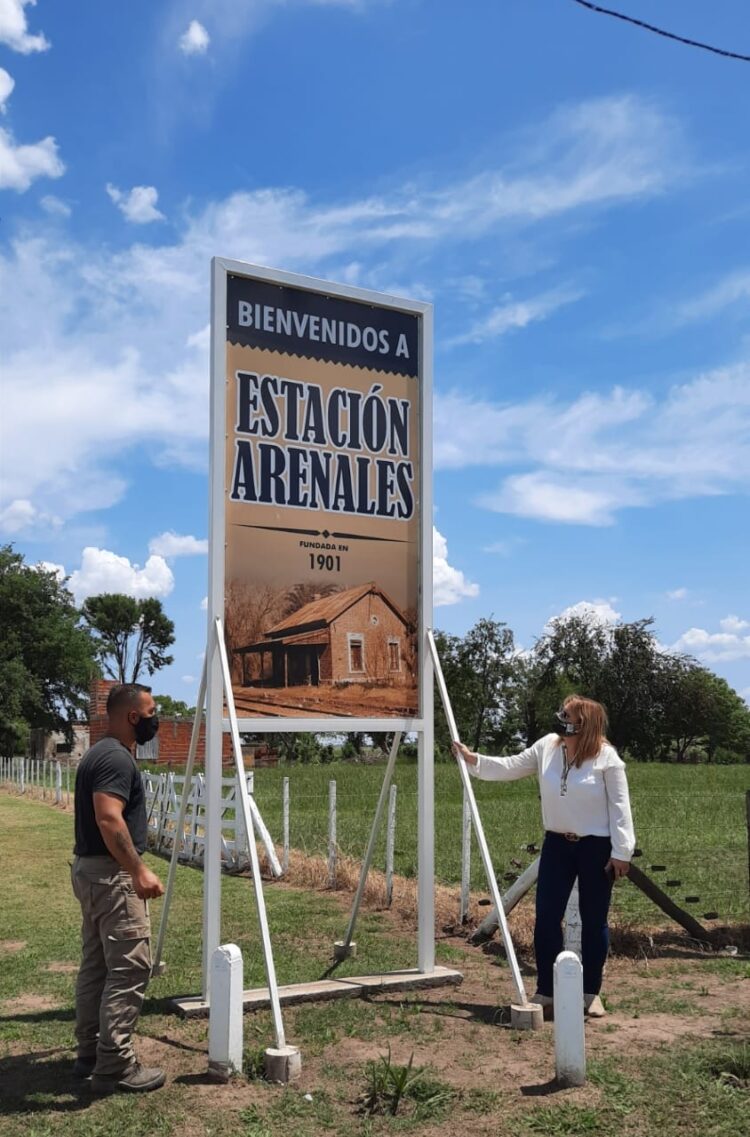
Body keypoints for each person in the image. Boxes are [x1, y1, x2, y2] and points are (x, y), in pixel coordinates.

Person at [453, 694, 635, 1018]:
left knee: (594, 921)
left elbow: (620, 809)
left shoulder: (608, 760)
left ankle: (590, 992)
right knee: (547, 917)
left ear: (584, 723)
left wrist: (622, 852)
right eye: (561, 712)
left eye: (567, 714)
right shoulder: (547, 747)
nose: (560, 718)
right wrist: (473, 760)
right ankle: (547, 991)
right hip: (556, 844)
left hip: (596, 848)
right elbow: (511, 765)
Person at [71, 683, 166, 1094]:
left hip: (90, 872)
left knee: (97, 964)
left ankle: (89, 1051)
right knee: (129, 967)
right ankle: (115, 1064)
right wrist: (139, 871)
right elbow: (110, 820)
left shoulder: (98, 753)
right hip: (111, 876)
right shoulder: (115, 759)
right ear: (133, 717)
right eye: (151, 712)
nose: (154, 719)